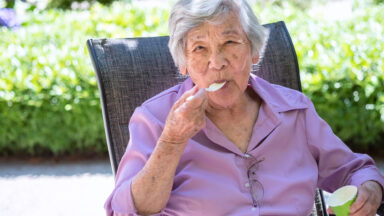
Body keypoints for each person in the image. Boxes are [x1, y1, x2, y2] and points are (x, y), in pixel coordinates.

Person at [105, 0, 384, 215]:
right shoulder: (154, 119)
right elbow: (126, 209)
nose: (217, 62)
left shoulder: (294, 111)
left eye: (229, 42)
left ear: (254, 51)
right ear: (183, 62)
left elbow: (354, 170)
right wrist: (172, 140)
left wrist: (369, 189)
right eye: (200, 48)